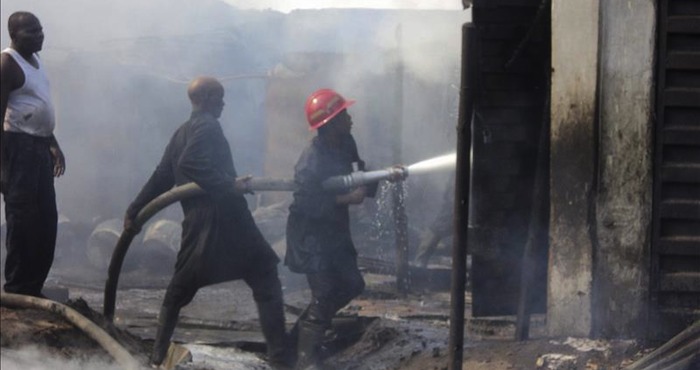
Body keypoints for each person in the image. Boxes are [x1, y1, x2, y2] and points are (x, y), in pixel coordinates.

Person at [123, 77, 292, 368]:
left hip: (199, 223)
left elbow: (162, 176)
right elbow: (190, 163)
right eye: (219, 97)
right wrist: (229, 185)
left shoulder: (181, 133)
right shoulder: (208, 126)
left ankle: (156, 357)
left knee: (179, 291)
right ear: (206, 98)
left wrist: (135, 210)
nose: (223, 103)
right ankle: (280, 361)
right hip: (225, 219)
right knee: (264, 275)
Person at [286, 88, 385, 369]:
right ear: (330, 123)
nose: (351, 119)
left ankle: (293, 344)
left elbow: (357, 174)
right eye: (344, 115)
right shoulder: (311, 158)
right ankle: (306, 360)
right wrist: (347, 198)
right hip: (311, 235)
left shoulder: (345, 142)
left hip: (334, 231)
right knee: (325, 292)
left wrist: (383, 176)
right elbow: (306, 202)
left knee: (353, 283)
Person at [1, 11, 66, 298]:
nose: (40, 35)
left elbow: (35, 106)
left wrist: (52, 142)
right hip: (17, 149)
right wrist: (2, 169)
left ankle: (33, 287)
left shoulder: (36, 63)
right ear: (14, 35)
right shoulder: (7, 63)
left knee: (46, 220)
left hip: (38, 148)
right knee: (22, 220)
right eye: (31, 31)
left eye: (40, 29)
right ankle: (16, 289)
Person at [414, 172, 454, 268]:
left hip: (456, 204)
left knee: (437, 228)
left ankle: (419, 264)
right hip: (454, 206)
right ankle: (419, 265)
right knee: (437, 228)